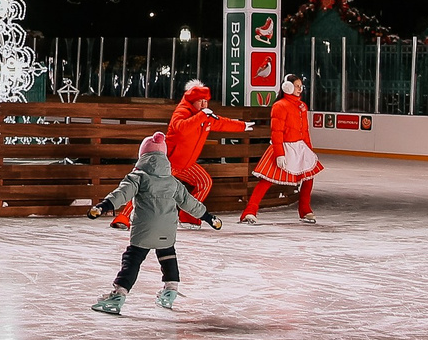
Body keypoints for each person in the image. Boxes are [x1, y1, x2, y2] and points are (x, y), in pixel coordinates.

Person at [82, 132, 222, 314]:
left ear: (143, 155)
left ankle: (119, 294)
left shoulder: (138, 176)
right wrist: (209, 217)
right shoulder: (172, 181)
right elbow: (190, 203)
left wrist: (103, 206)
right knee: (168, 256)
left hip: (144, 229)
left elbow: (122, 194)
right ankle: (171, 290)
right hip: (167, 230)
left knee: (132, 259)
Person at [119, 79, 246, 230]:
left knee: (204, 182)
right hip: (169, 161)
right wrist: (202, 116)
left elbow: (221, 123)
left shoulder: (204, 115)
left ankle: (188, 216)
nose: (205, 105)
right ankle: (123, 217)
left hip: (186, 163)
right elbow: (182, 128)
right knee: (146, 185)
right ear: (192, 101)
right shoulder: (182, 111)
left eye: (206, 102)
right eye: (201, 102)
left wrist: (243, 126)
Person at [240, 77, 324, 223]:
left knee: (309, 178)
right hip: (283, 148)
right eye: (296, 86)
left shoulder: (302, 106)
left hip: (300, 147)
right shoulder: (280, 105)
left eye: (301, 86)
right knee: (266, 180)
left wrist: (309, 150)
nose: (300, 88)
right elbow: (276, 132)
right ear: (287, 87)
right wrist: (280, 154)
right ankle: (249, 211)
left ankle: (305, 210)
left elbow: (305, 130)